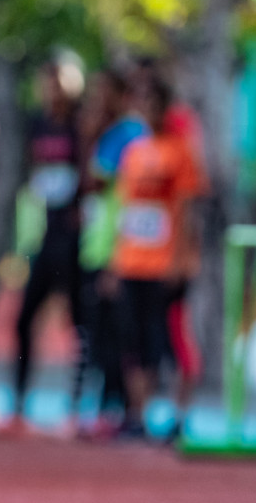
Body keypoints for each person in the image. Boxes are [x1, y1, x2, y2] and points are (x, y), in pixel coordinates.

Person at [111, 76, 205, 439]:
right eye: (142, 101)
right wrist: (116, 261)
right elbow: (126, 210)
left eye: (153, 102)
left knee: (172, 340)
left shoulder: (181, 151)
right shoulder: (134, 152)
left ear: (166, 107)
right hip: (133, 262)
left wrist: (181, 260)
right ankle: (140, 417)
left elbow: (186, 211)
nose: (146, 109)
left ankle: (180, 416)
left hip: (166, 266)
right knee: (133, 342)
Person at [8, 56, 87, 431]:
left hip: (75, 238)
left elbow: (88, 172)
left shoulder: (80, 124)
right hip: (43, 234)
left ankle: (78, 409)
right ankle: (20, 405)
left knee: (80, 323)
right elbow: (34, 175)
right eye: (47, 82)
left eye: (58, 81)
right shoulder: (37, 124)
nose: (51, 89)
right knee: (24, 318)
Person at [72, 68, 145, 439]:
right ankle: (106, 409)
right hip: (96, 247)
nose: (97, 101)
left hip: (119, 250)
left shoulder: (129, 135)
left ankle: (120, 411)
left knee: (119, 335)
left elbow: (102, 185)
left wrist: (118, 256)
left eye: (104, 93)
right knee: (97, 332)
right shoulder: (104, 135)